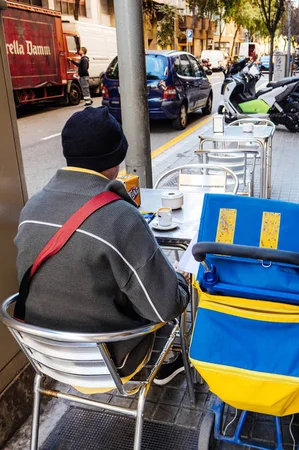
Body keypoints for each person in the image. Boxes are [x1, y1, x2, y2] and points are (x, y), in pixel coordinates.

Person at [14, 107, 189, 385]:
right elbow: (165, 308)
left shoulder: (31, 207)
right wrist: (181, 280)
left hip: (47, 357)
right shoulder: (120, 216)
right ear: (116, 159)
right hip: (107, 362)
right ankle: (169, 363)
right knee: (168, 293)